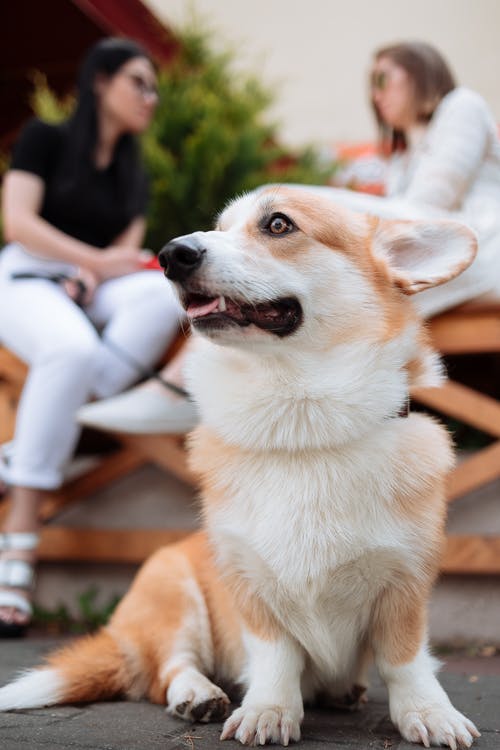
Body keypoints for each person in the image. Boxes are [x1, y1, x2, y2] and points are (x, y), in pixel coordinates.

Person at [76, 40, 500, 427]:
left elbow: (425, 209)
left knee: (277, 203)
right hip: (430, 262)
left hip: (482, 250)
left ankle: (181, 387)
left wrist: (296, 203)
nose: (376, 94)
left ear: (423, 72)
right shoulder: (403, 155)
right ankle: (191, 383)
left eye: (383, 79)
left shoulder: (461, 106)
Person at [0, 38, 183, 635]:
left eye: (154, 87)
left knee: (165, 292)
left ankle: (15, 455)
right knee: (71, 350)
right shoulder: (44, 139)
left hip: (89, 285)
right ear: (100, 81)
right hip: (24, 275)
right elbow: (19, 223)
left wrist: (100, 269)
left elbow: (124, 255)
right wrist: (97, 262)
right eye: (139, 82)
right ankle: (19, 554)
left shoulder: (134, 172)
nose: (150, 97)